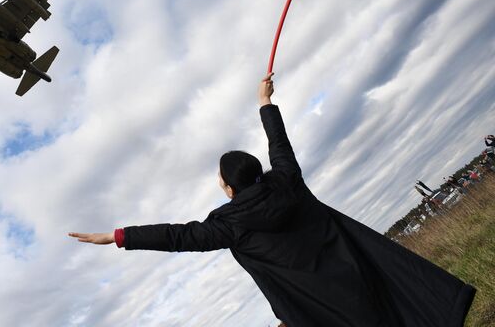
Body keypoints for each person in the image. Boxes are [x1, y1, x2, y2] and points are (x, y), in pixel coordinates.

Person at [69, 73, 476, 327]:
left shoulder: (228, 225)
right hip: (361, 277)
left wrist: (118, 236)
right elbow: (279, 145)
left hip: (324, 308)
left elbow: (176, 236)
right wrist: (265, 102)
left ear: (229, 187)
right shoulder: (287, 182)